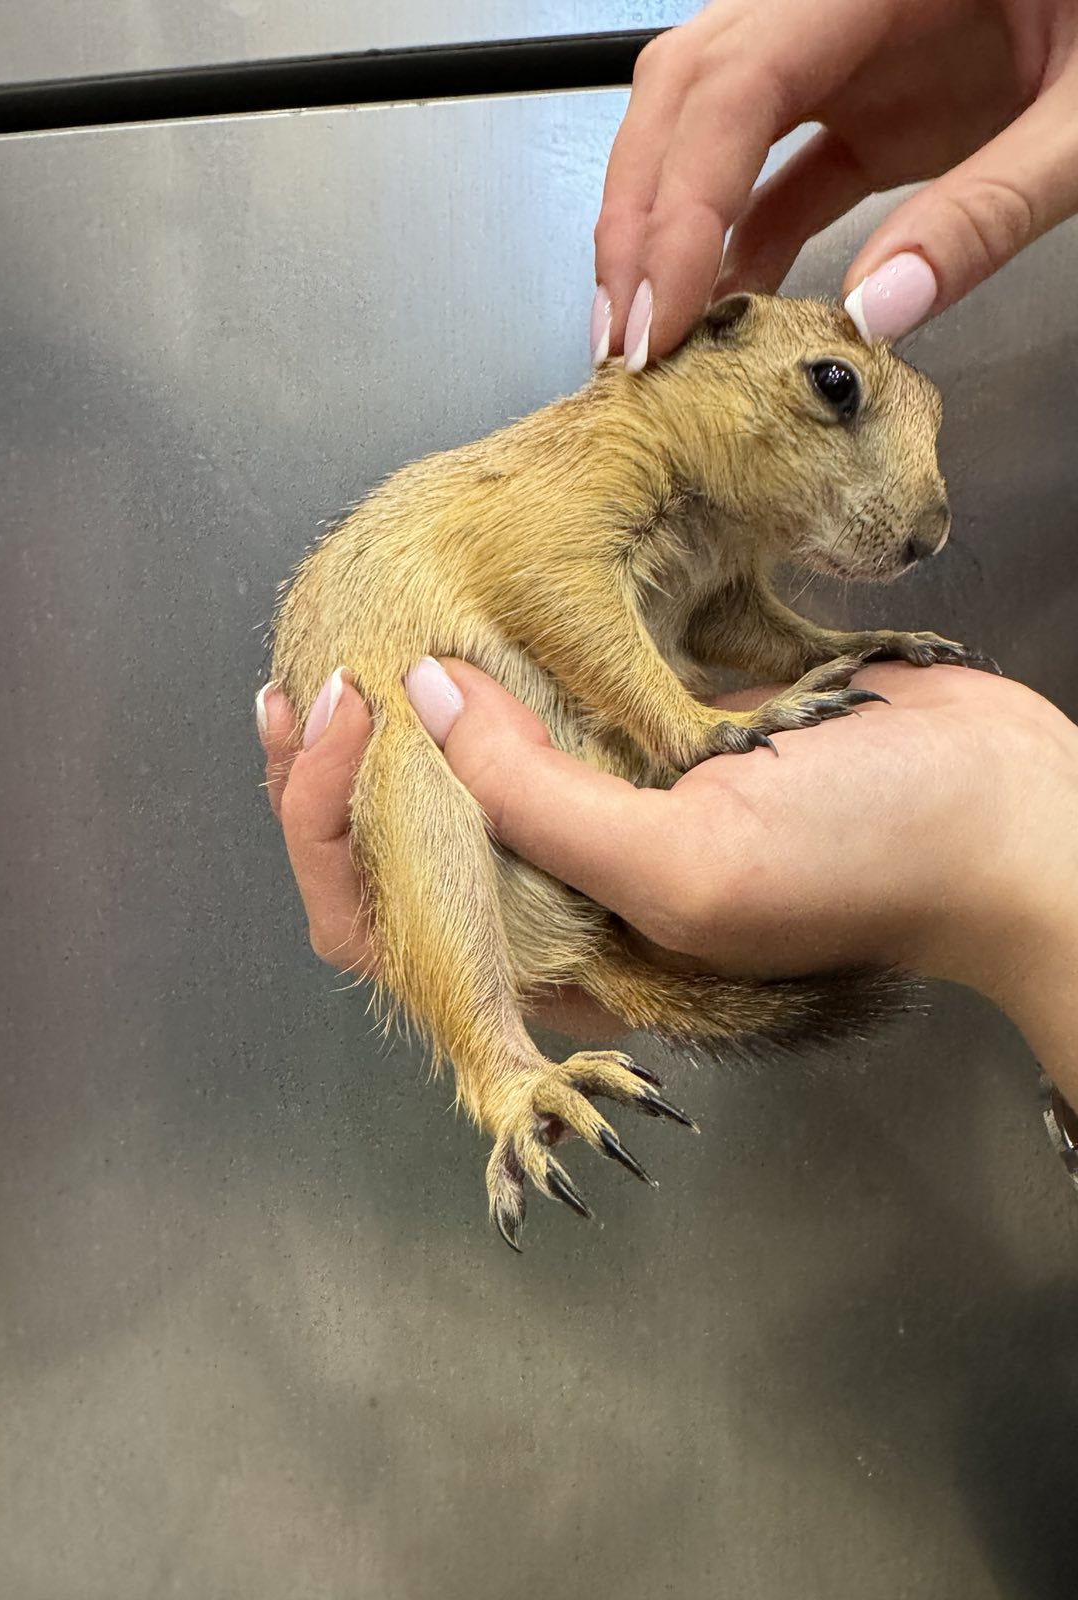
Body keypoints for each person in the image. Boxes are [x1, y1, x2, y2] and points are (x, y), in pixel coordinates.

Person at [256, 0, 1078, 1172]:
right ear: (724, 338)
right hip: (445, 799)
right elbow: (547, 582)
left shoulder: (724, 524)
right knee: (405, 776)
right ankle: (500, 1072)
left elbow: (711, 608)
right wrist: (684, 725)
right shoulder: (611, 452)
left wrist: (813, 666)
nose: (922, 515)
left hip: (573, 815)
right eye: (833, 393)